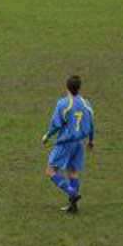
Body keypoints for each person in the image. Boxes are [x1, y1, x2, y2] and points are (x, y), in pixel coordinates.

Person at [42, 75, 95, 214]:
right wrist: (91, 140)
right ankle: (73, 206)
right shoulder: (86, 104)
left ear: (67, 87)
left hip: (66, 143)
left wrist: (47, 136)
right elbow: (91, 123)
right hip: (79, 143)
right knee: (73, 173)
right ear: (79, 88)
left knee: (50, 170)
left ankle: (72, 192)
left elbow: (55, 125)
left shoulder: (63, 104)